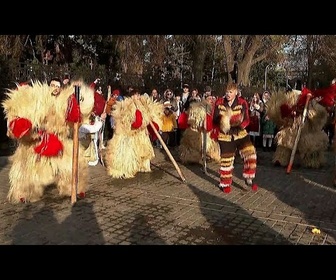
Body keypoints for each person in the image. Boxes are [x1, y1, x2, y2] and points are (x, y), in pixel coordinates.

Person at [1, 79, 95, 203]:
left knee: (70, 164)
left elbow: (74, 117)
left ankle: (73, 188)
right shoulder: (33, 100)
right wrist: (25, 129)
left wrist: (77, 101)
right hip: (33, 144)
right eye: (52, 85)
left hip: (57, 141)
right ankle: (23, 192)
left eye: (57, 86)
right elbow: (14, 123)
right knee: (27, 170)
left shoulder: (62, 102)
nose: (54, 88)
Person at [104, 88, 164, 178]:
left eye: (138, 95)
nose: (136, 97)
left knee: (144, 152)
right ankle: (126, 168)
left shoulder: (144, 105)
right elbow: (134, 123)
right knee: (130, 154)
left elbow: (150, 119)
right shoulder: (127, 105)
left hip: (141, 135)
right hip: (129, 135)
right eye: (134, 95)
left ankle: (142, 166)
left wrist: (150, 123)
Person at [212, 83, 258, 193]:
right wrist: (223, 122)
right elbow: (214, 119)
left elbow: (247, 119)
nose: (228, 94)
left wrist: (240, 126)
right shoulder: (219, 102)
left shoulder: (242, 102)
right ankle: (225, 183)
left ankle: (249, 178)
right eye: (227, 92)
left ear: (236, 92)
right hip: (225, 135)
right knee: (227, 160)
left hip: (240, 133)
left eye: (230, 92)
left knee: (250, 153)